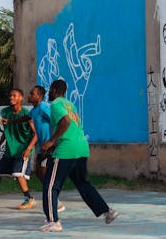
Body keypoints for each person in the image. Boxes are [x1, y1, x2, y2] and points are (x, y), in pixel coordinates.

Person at [40, 80, 118, 232]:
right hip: (81, 148)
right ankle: (107, 212)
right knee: (83, 184)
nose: (48, 92)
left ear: (54, 90)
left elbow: (66, 122)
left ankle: (53, 222)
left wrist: (51, 141)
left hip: (66, 151)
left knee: (50, 187)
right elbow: (70, 128)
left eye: (50, 90)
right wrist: (52, 145)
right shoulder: (70, 105)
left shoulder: (56, 104)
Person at [0, 88, 38, 210]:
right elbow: (6, 132)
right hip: (9, 149)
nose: (11, 97)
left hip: (22, 149)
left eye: (14, 95)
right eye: (10, 95)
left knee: (18, 174)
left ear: (21, 98)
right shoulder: (6, 112)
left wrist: (28, 149)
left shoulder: (27, 114)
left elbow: (36, 134)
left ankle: (29, 198)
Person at [27, 85, 65, 213]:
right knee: (38, 172)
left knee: (44, 172)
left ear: (40, 96)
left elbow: (55, 121)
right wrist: (11, 121)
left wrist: (52, 141)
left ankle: (55, 200)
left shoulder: (43, 108)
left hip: (48, 148)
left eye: (32, 94)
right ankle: (53, 196)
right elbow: (26, 118)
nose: (29, 96)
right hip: (41, 148)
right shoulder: (34, 110)